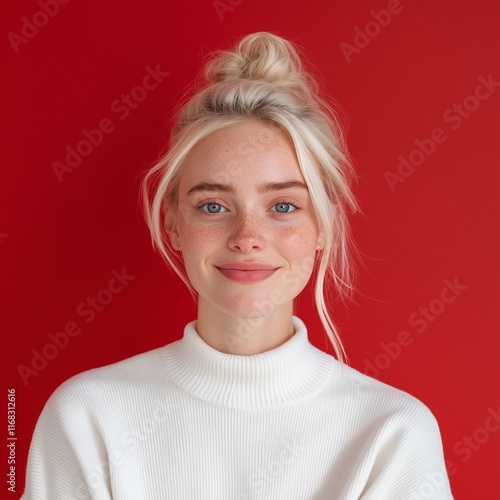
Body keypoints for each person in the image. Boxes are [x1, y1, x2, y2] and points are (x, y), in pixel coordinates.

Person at [22, 32, 454, 499]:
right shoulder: (86, 418)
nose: (247, 238)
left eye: (283, 206)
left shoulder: (392, 434)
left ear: (324, 225)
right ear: (172, 224)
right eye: (213, 206)